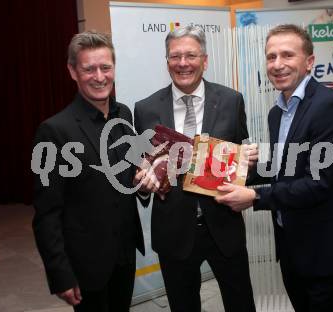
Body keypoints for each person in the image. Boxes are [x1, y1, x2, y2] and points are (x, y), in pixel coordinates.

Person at [216, 24, 333, 312]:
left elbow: (320, 183)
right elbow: (285, 169)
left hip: (328, 252)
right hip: (293, 248)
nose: (277, 64)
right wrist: (246, 172)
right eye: (271, 56)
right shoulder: (278, 113)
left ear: (309, 62)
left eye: (287, 55)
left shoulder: (329, 106)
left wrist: (255, 197)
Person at [133, 25, 256, 312]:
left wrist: (248, 165)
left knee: (241, 305)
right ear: (167, 62)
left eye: (191, 55)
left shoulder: (231, 101)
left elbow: (244, 165)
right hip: (173, 232)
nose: (183, 63)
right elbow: (141, 171)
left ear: (205, 60)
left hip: (224, 227)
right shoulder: (145, 109)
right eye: (175, 56)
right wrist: (142, 181)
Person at [32, 31, 147, 312]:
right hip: (86, 264)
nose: (99, 76)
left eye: (105, 67)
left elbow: (126, 178)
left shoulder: (124, 116)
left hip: (124, 256)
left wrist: (142, 181)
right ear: (73, 71)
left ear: (113, 68)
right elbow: (46, 213)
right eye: (89, 68)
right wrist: (60, 274)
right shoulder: (52, 132)